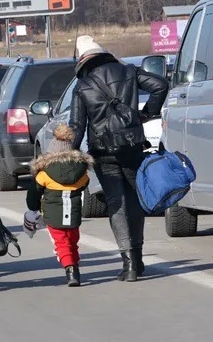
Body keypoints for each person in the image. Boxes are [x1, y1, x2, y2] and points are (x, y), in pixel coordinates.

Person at [69, 36, 168, 282]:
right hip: (132, 146)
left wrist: (70, 156)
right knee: (135, 200)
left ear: (83, 61)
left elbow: (76, 126)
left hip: (103, 152)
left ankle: (128, 263)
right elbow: (160, 85)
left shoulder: (82, 86)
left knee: (116, 203)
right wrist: (147, 113)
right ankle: (139, 258)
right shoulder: (128, 72)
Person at [26, 124, 93, 287]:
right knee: (72, 241)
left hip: (53, 214)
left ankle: (70, 269)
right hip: (74, 213)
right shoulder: (81, 172)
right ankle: (75, 267)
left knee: (61, 243)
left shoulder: (44, 173)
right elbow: (85, 184)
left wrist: (33, 208)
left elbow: (33, 194)